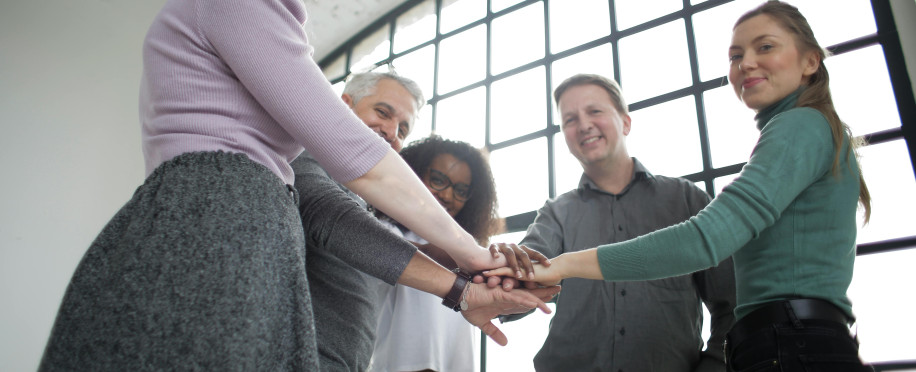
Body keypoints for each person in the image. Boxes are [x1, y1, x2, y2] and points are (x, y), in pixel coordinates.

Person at [37, 0, 556, 370]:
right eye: (382, 114)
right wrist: (468, 258)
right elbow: (348, 189)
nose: (392, 136)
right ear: (344, 104)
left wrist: (465, 282)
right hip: (217, 221)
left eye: (403, 128)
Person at [489, 2, 873, 371]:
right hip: (782, 343)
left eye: (765, 47)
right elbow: (522, 280)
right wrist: (491, 276)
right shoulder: (557, 211)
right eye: (735, 56)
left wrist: (565, 264)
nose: (747, 63)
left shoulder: (795, 128)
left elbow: (706, 244)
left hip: (793, 344)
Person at [493, 73, 736, 372]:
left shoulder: (685, 199)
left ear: (625, 122)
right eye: (570, 119)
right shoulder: (556, 212)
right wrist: (501, 276)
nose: (583, 125)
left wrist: (713, 367)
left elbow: (733, 303)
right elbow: (520, 278)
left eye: (595, 111)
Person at [369, 135, 500, 372]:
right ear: (414, 174)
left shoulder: (467, 251)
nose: (448, 195)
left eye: (461, 190)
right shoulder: (387, 231)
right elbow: (411, 253)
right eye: (438, 180)